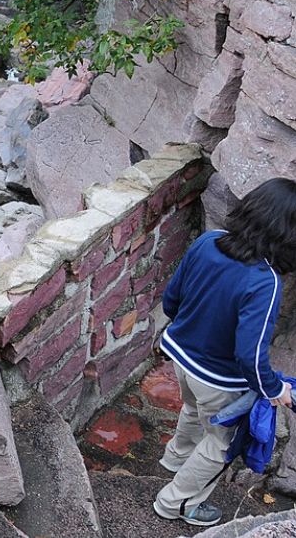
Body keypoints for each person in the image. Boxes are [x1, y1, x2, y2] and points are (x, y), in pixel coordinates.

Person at [154, 178, 296, 527]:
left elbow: (172, 298)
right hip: (217, 377)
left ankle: (175, 459)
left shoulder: (208, 241)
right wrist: (273, 388)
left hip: (180, 356)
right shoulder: (265, 281)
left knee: (191, 408)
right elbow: (250, 354)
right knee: (221, 442)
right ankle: (176, 504)